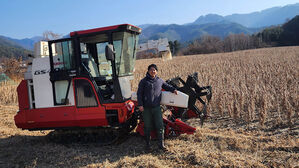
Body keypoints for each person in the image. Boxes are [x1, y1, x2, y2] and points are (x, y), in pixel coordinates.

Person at [137, 64, 178, 151]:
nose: (153, 71)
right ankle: (148, 145)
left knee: (160, 126)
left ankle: (161, 145)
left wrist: (173, 90)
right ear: (148, 71)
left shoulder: (160, 81)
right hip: (146, 108)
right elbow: (139, 94)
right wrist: (140, 105)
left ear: (156, 71)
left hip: (156, 108)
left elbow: (167, 86)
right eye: (151, 70)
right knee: (147, 126)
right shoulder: (143, 81)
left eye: (154, 70)